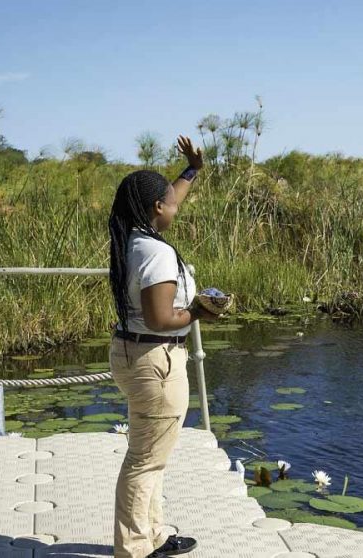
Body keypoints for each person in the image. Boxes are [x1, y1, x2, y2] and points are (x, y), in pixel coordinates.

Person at [107, 136, 212, 558]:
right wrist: (202, 310)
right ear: (156, 209)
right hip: (157, 360)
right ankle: (133, 548)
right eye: (170, 202)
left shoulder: (133, 238)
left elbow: (171, 197)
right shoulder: (157, 254)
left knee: (151, 454)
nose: (175, 206)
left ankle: (154, 536)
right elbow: (161, 319)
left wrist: (190, 171)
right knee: (145, 460)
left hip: (133, 354)